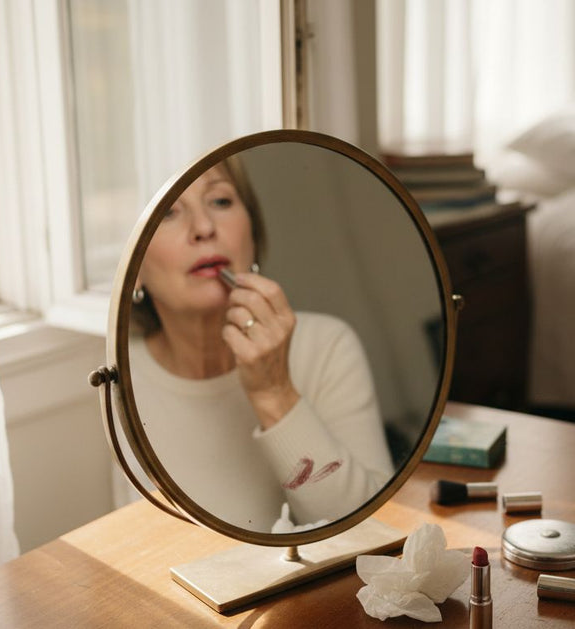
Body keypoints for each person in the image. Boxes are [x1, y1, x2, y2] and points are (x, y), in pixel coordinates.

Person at [129, 155, 394, 532]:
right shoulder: (120, 379)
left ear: (253, 233)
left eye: (221, 201)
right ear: (132, 266)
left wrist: (275, 392)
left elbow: (372, 533)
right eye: (169, 212)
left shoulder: (328, 347)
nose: (204, 227)